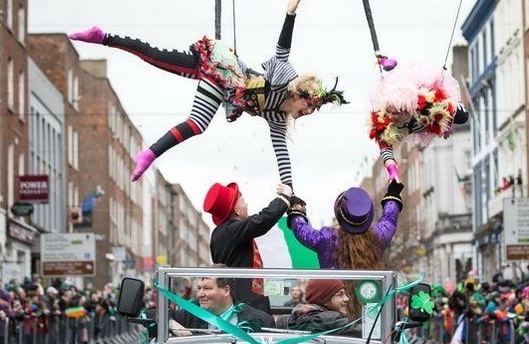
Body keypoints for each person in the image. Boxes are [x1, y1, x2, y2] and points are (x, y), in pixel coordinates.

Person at [68, 0, 347, 185]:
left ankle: (150, 154)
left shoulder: (277, 117)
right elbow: (282, 51)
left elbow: (281, 154)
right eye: (310, 107)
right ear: (300, 95)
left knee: (197, 123)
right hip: (221, 70)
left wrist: (289, 191)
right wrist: (290, 13)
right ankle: (102, 37)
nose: (308, 113)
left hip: (221, 88)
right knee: (155, 58)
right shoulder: (282, 80)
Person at [287, 180, 403, 317]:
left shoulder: (326, 238)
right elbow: (389, 218)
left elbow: (302, 230)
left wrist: (297, 208)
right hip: (370, 310)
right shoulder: (378, 236)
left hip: (334, 312)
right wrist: (393, 195)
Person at [204, 181, 293, 313]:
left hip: (240, 302)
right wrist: (285, 196)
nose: (247, 205)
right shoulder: (232, 231)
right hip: (246, 306)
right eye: (243, 201)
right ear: (236, 210)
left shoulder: (222, 232)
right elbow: (263, 219)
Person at [168, 275, 275, 334]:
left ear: (226, 290)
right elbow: (153, 315)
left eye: (207, 288)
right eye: (199, 288)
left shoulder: (259, 320)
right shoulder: (191, 312)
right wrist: (170, 323)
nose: (200, 294)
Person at [281, 279, 354, 334]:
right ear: (324, 299)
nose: (346, 299)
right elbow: (360, 331)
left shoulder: (290, 319)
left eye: (345, 294)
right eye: (340, 294)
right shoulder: (330, 319)